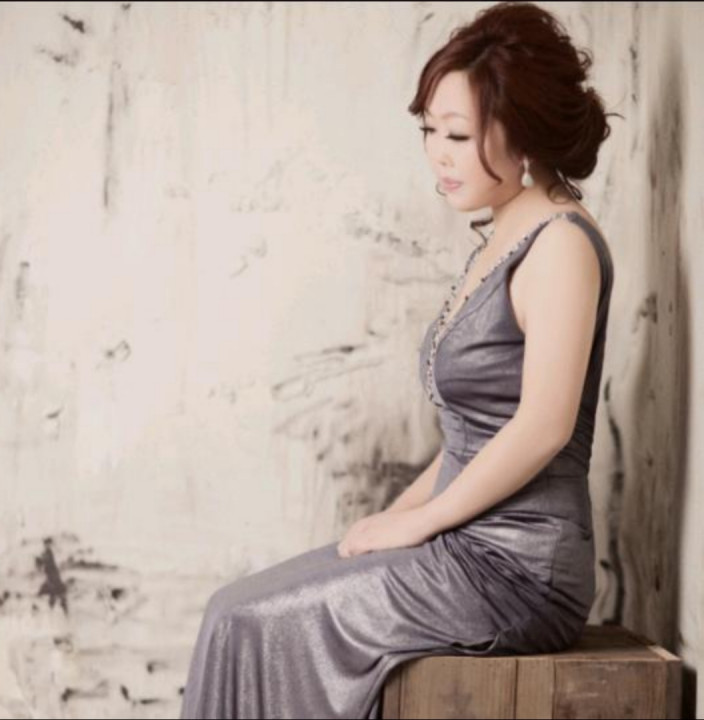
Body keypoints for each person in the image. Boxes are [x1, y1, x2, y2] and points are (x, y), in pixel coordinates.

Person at [179, 2, 621, 718]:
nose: (437, 155)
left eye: (458, 134)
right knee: (233, 610)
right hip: (463, 544)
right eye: (428, 131)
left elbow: (542, 427)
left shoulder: (561, 245)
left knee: (250, 624)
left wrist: (418, 524)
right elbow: (469, 440)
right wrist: (395, 515)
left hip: (517, 571)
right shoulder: (505, 232)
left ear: (523, 132)